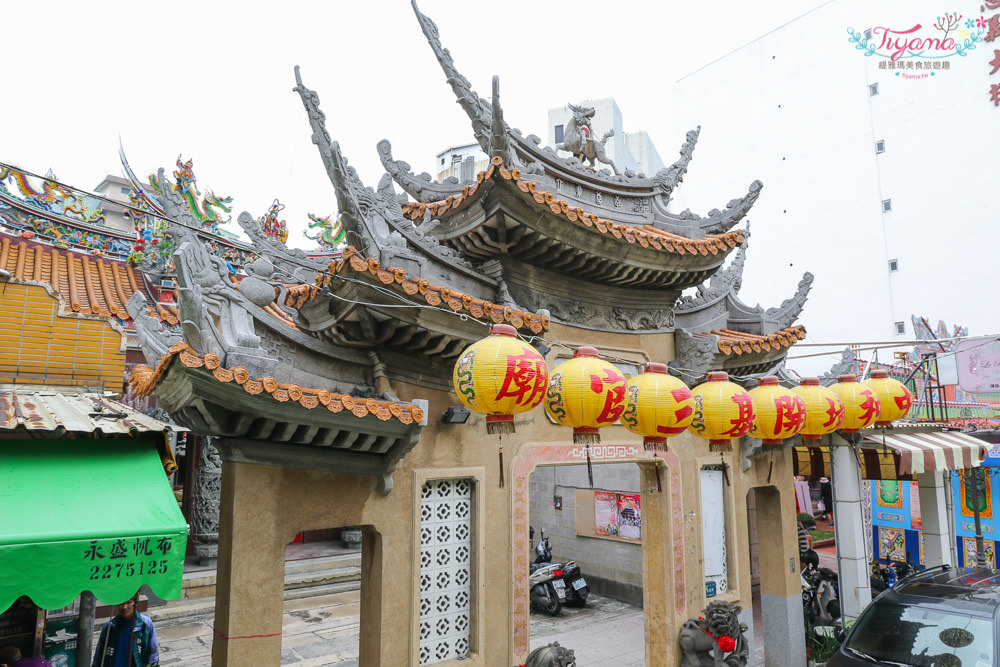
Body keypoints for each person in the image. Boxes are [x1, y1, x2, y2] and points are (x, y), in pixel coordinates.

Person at [92, 593, 160, 667]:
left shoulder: (145, 624)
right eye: (121, 603)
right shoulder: (109, 626)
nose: (124, 607)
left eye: (129, 603)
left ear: (135, 603)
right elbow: (99, 655)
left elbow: (153, 655)